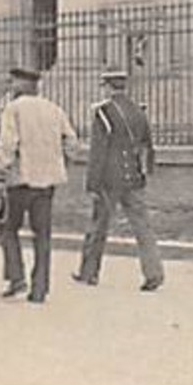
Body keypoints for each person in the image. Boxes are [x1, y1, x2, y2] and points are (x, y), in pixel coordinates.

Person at [73, 68, 165, 291]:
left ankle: (89, 273)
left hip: (109, 179)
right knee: (143, 226)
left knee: (98, 226)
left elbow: (98, 152)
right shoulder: (138, 111)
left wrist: (92, 183)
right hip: (134, 176)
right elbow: (148, 146)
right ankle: (154, 272)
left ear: (108, 86)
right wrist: (145, 172)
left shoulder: (104, 113)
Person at [0, 65, 76, 304]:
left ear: (21, 85)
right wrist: (60, 164)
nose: (10, 87)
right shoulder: (54, 108)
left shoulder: (13, 109)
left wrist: (1, 174)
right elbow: (72, 142)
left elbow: (7, 145)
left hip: (20, 180)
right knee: (42, 234)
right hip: (47, 182)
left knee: (8, 228)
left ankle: (16, 278)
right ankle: (40, 288)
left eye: (13, 82)